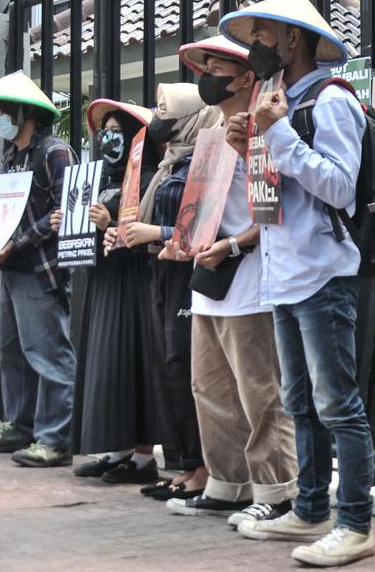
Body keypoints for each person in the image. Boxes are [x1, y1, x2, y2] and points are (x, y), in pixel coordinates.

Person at [220, 0, 375, 567]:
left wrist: (277, 134)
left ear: (290, 39)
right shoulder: (277, 102)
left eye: (260, 36)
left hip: (321, 273)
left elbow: (339, 187)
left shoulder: (332, 101)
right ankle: (310, 509)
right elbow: (274, 195)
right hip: (284, 273)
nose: (252, 47)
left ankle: (356, 524)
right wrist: (248, 149)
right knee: (300, 403)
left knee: (338, 404)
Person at [159, 35, 299, 523]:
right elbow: (201, 210)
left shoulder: (262, 133)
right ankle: (228, 483)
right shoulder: (208, 136)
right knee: (210, 388)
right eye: (204, 67)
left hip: (250, 278)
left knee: (261, 393)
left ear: (245, 78)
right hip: (209, 280)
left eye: (217, 67)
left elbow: (274, 211)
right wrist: (184, 241)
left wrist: (234, 244)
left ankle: (277, 489)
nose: (206, 76)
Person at [0, 71, 77, 467]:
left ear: (24, 111)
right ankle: (20, 426)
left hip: (41, 269)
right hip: (11, 267)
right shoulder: (13, 154)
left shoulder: (54, 151)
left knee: (47, 352)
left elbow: (65, 214)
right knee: (12, 352)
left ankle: (56, 438)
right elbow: (6, 212)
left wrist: (16, 244)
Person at [121, 83, 223, 501]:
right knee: (169, 367)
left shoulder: (205, 159)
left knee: (185, 366)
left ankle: (201, 468)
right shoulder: (171, 162)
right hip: (161, 269)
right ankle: (182, 465)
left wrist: (156, 231)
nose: (160, 121)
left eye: (169, 112)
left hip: (189, 272)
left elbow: (206, 221)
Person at [66, 100, 172, 485]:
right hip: (104, 281)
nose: (108, 136)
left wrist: (110, 222)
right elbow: (88, 235)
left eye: (116, 130)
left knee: (133, 364)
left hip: (135, 283)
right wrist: (72, 223)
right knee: (106, 365)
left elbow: (149, 228)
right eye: (104, 130)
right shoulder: (98, 178)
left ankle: (142, 458)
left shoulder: (147, 177)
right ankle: (117, 451)